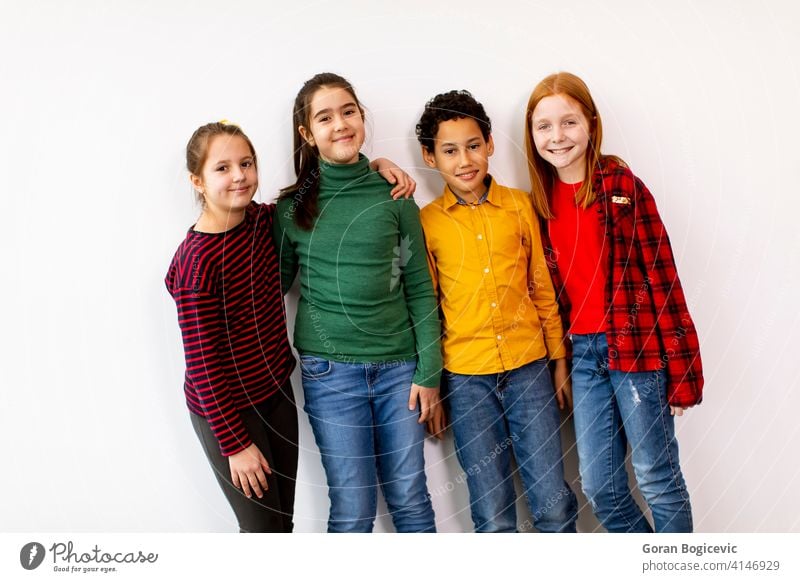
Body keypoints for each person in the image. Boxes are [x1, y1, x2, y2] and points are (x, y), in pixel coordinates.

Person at [166, 121, 416, 532]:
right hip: (227, 413)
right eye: (222, 168)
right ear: (197, 181)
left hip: (275, 396)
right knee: (263, 533)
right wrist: (235, 445)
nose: (239, 176)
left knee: (284, 525)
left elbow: (320, 191)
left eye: (246, 163)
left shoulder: (264, 223)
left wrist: (375, 167)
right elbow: (203, 367)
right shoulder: (197, 264)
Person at [524, 72, 703, 532]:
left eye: (569, 122)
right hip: (584, 357)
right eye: (544, 126)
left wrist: (683, 374)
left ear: (591, 125)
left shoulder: (623, 187)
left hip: (638, 351)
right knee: (599, 485)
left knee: (655, 475)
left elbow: (663, 278)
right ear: (531, 134)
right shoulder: (538, 203)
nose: (557, 136)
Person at [274, 72, 442, 533]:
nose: (340, 124)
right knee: (352, 508)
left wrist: (429, 371)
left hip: (400, 374)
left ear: (362, 117)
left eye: (348, 111)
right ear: (308, 134)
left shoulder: (396, 196)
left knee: (410, 498)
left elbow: (420, 288)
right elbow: (272, 290)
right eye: (324, 118)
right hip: (330, 375)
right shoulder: (291, 210)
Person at [416, 90, 578, 533]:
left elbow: (542, 289)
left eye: (473, 145)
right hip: (466, 380)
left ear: (489, 144)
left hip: (530, 370)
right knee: (491, 510)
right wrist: (433, 383)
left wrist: (558, 362)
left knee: (554, 501)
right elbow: (426, 306)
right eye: (449, 150)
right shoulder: (426, 222)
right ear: (431, 157)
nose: (464, 159)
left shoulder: (520, 206)